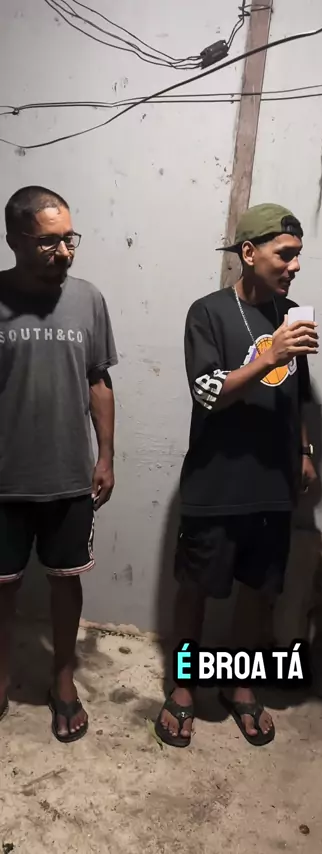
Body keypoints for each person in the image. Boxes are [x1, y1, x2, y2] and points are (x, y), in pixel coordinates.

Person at [156, 203, 319, 748]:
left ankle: (239, 684)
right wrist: (271, 353)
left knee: (259, 592)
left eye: (299, 255)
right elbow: (207, 392)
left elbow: (297, 391)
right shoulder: (207, 312)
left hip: (272, 485)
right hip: (216, 483)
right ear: (249, 253)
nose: (295, 266)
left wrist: (303, 448)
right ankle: (183, 686)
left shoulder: (290, 313)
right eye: (285, 254)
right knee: (195, 591)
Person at [0, 186, 117, 743]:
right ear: (14, 239)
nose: (64, 251)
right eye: (49, 242)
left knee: (66, 584)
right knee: (2, 587)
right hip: (4, 479)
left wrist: (106, 455)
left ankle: (63, 680)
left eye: (69, 238)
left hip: (70, 475)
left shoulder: (88, 299)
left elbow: (99, 379)